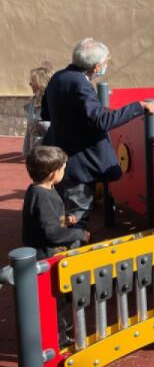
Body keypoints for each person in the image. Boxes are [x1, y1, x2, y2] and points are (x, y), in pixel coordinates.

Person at [42, 38, 154, 229]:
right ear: (96, 67)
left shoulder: (58, 77)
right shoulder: (80, 84)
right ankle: (74, 246)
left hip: (59, 157)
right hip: (77, 163)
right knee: (77, 217)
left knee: (64, 211)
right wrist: (138, 107)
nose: (106, 66)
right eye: (105, 62)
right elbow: (101, 121)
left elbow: (46, 113)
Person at [22, 145, 91, 347]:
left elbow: (46, 221)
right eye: (63, 168)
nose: (64, 171)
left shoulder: (37, 190)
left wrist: (65, 220)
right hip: (45, 256)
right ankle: (58, 339)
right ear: (53, 174)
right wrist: (78, 234)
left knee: (54, 299)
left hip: (43, 253)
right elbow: (51, 233)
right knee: (53, 300)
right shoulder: (44, 197)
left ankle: (59, 327)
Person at [23, 63, 53, 156]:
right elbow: (29, 131)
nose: (30, 84)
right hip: (35, 155)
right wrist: (26, 152)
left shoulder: (53, 103)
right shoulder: (32, 102)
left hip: (50, 154)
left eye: (32, 81)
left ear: (40, 82)